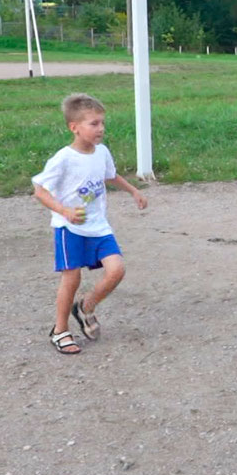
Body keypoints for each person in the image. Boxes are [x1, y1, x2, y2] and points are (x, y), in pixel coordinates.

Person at [32, 93, 147, 355]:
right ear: (75, 127)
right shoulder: (63, 159)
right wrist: (64, 210)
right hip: (69, 227)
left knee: (116, 270)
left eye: (102, 123)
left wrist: (133, 191)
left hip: (98, 225)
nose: (101, 129)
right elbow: (39, 189)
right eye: (94, 124)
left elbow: (111, 175)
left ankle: (85, 307)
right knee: (71, 278)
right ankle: (60, 330)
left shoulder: (102, 152)